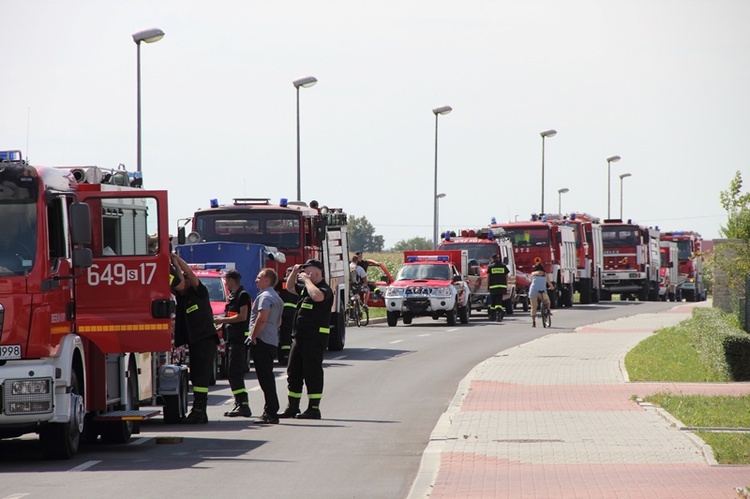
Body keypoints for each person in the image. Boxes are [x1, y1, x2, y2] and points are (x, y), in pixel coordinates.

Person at [278, 259, 334, 420]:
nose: (305, 275)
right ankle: (292, 407)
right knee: (293, 371)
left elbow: (317, 297)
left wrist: (308, 281)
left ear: (317, 272)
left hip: (314, 338)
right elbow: (289, 287)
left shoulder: (324, 289)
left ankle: (313, 408)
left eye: (307, 271)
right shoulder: (305, 289)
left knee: (312, 372)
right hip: (299, 338)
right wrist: (295, 272)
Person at [171, 253, 220, 424]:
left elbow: (190, 275)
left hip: (206, 339)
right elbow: (177, 280)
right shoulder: (182, 298)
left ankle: (200, 411)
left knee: (201, 376)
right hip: (195, 341)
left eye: (182, 280)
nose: (179, 284)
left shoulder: (200, 293)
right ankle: (199, 410)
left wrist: (177, 260)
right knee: (196, 376)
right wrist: (174, 267)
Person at [246, 268, 284, 424]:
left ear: (267, 280)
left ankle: (271, 412)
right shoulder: (277, 297)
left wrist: (252, 337)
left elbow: (261, 319)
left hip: (262, 341)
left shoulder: (265, 297)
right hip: (272, 340)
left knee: (265, 378)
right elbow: (279, 322)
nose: (256, 280)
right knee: (267, 376)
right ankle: (271, 409)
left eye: (259, 277)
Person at [214, 269, 252, 418]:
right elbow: (231, 315)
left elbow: (242, 317)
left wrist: (222, 320)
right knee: (231, 373)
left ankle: (243, 404)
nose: (226, 283)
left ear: (230, 280)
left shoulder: (242, 295)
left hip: (238, 341)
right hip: (231, 339)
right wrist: (222, 326)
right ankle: (239, 403)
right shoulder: (232, 296)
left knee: (235, 373)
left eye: (226, 280)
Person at [275, 267, 297, 366]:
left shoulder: (281, 282)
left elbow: (276, 294)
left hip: (283, 312)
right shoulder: (298, 283)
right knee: (289, 334)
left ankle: (284, 356)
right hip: (293, 313)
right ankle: (287, 355)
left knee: (285, 335)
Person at [528, 263, 554, 327]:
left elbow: (531, 281)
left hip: (533, 291)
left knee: (533, 307)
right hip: (542, 291)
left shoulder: (533, 274)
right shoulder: (545, 274)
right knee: (547, 301)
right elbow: (549, 283)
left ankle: (533, 322)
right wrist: (552, 287)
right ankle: (548, 310)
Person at [487, 253, 509, 322]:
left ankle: (492, 317)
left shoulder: (490, 267)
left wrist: (488, 286)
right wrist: (506, 285)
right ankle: (499, 316)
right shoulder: (503, 266)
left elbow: (488, 277)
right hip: (502, 286)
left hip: (493, 287)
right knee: (499, 301)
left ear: (492, 259)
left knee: (493, 302)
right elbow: (507, 276)